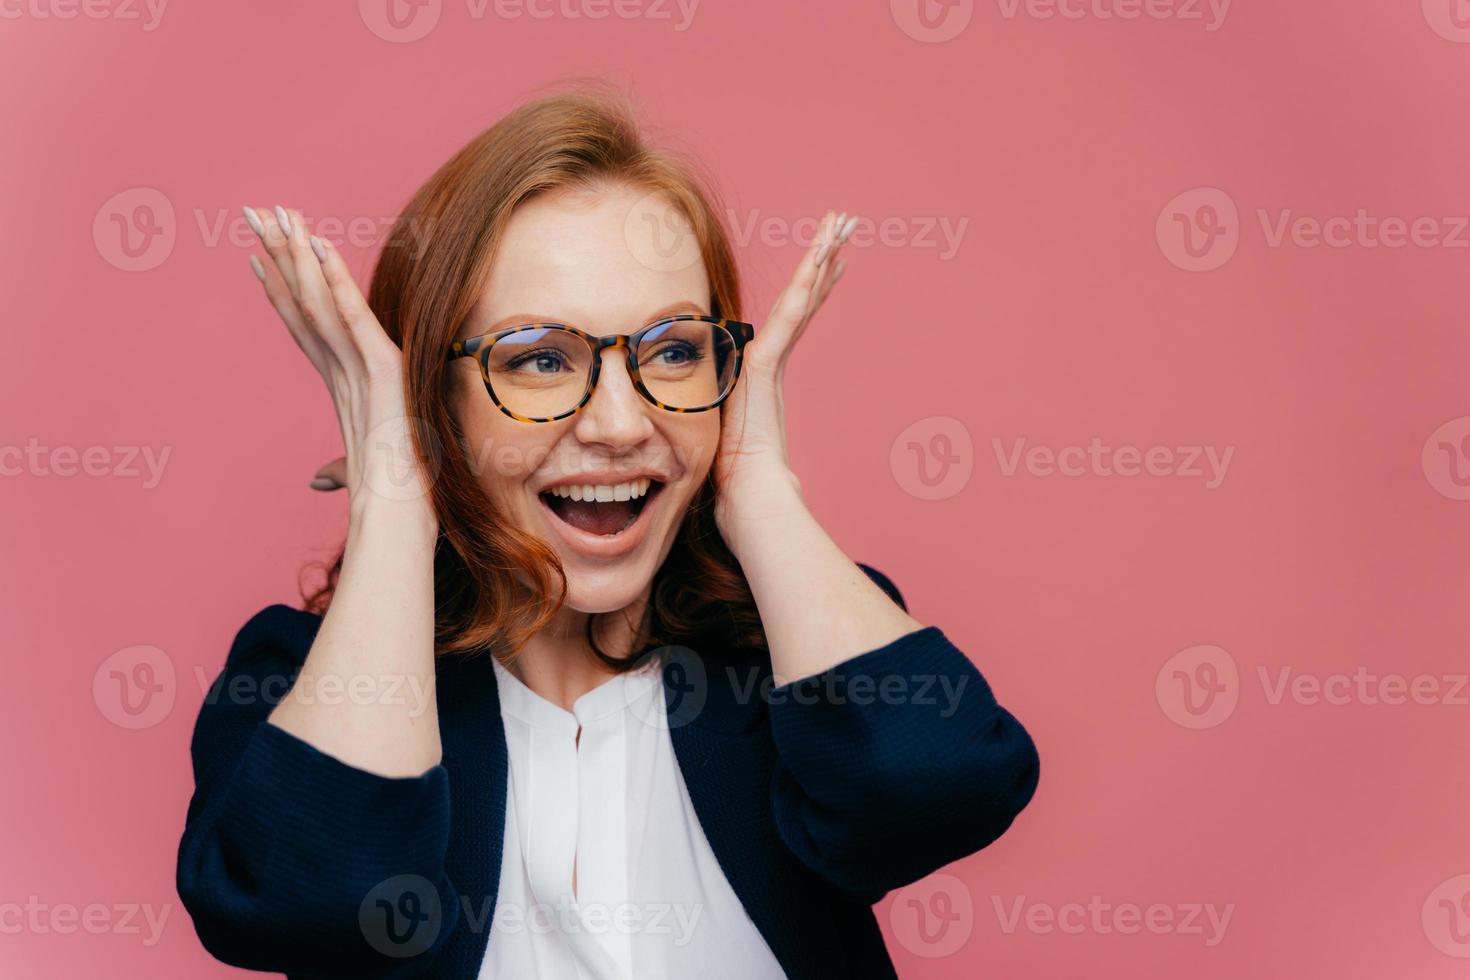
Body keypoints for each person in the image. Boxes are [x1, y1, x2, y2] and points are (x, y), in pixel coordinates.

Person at [175, 87, 1040, 980]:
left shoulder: (785, 660)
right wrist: (399, 490)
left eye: (674, 349)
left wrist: (757, 488)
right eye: (541, 359)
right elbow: (305, 907)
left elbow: (944, 790)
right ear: (432, 399)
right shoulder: (297, 679)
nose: (622, 425)